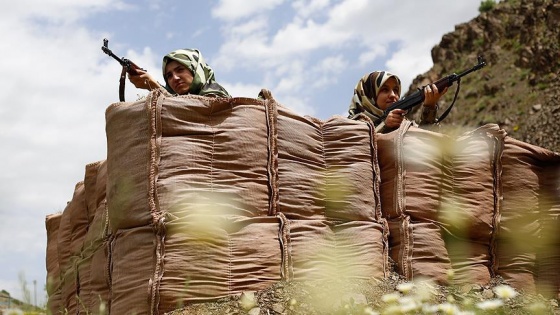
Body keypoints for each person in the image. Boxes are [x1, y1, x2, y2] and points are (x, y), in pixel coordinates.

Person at [348, 71, 447, 133]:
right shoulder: (352, 125)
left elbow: (428, 143)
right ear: (369, 95)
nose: (393, 95)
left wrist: (430, 106)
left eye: (396, 90)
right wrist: (385, 126)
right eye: (384, 90)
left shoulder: (404, 123)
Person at [128, 48, 230, 98]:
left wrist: (154, 87)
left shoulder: (214, 91)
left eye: (180, 70)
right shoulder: (175, 97)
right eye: (169, 76)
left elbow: (190, 114)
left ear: (195, 70)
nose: (175, 78)